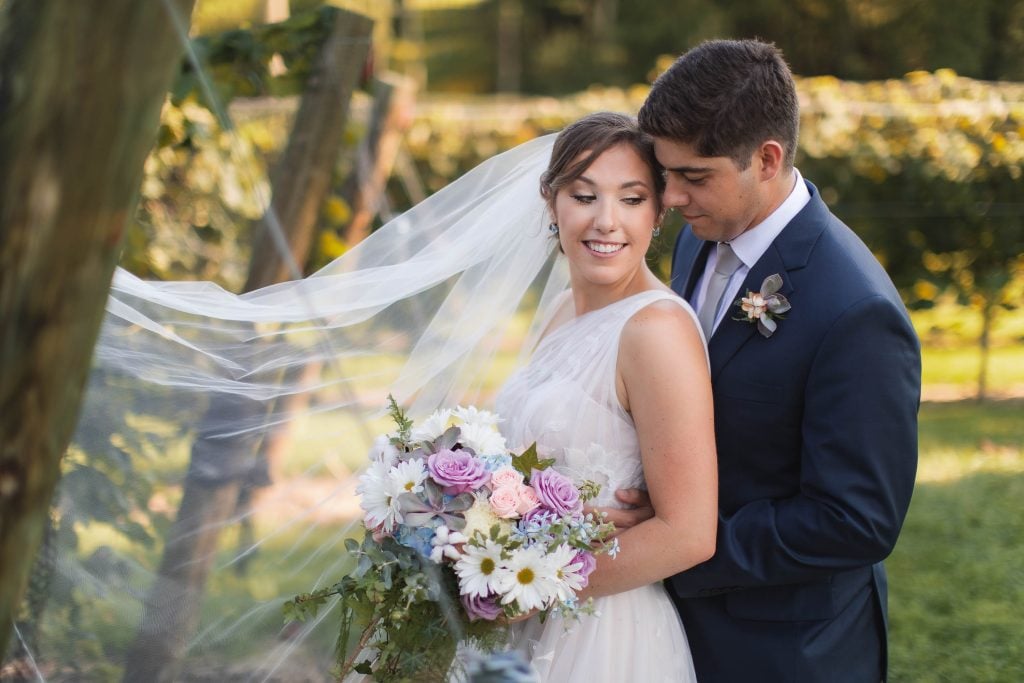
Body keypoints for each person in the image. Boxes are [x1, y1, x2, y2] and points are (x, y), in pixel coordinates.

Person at [606, 38, 920, 682]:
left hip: (787, 649)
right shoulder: (701, 242)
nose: (669, 198)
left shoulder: (856, 311)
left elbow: (855, 520)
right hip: (674, 632)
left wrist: (679, 542)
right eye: (666, 174)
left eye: (694, 177)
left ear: (767, 159)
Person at [494, 112, 717, 682]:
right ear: (552, 203)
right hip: (517, 613)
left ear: (659, 210)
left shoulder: (656, 331)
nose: (606, 221)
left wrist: (524, 587)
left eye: (632, 198)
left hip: (603, 632)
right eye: (584, 195)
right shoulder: (559, 309)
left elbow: (688, 533)